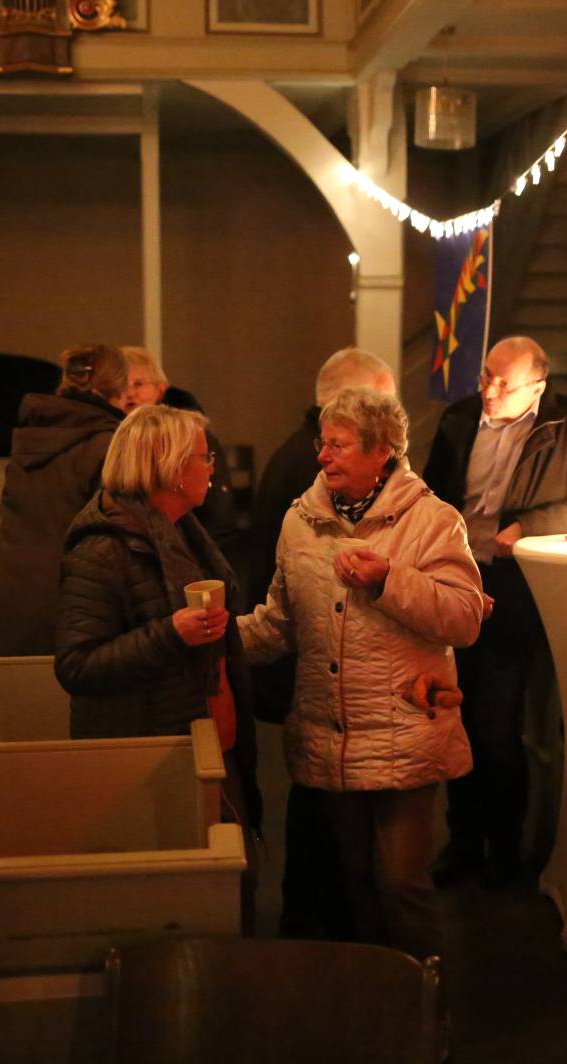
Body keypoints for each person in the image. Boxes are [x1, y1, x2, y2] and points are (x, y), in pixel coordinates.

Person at [239, 387, 483, 961]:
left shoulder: (432, 522)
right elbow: (279, 622)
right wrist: (215, 638)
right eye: (323, 444)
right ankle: (381, 998)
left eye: (339, 446)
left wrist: (387, 580)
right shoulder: (301, 522)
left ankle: (430, 1002)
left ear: (383, 452)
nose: (323, 456)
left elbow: (466, 617)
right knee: (354, 883)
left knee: (402, 882)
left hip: (404, 729)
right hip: (330, 732)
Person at [422, 335, 567, 886]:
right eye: (486, 376)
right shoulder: (460, 421)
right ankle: (462, 841)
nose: (489, 390)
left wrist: (529, 527)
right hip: (457, 581)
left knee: (497, 723)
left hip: (516, 587)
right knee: (454, 716)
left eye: (504, 383)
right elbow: (432, 493)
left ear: (538, 385)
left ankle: (504, 848)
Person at [54, 404, 261, 851]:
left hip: (203, 733)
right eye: (204, 458)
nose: (212, 468)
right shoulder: (101, 550)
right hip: (152, 756)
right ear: (168, 468)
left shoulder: (181, 528)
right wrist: (171, 635)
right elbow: (76, 666)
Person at [248, 347, 398, 942]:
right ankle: (324, 944)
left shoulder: (302, 456)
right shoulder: (311, 475)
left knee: (323, 820)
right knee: (323, 827)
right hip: (309, 665)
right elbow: (309, 592)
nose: (390, 416)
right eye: (380, 404)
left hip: (304, 664)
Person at [0, 345, 127, 658]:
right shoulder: (110, 445)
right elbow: (109, 542)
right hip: (56, 603)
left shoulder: (33, 436)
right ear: (122, 390)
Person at [115, 346, 241, 561]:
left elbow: (217, 510)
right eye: (122, 385)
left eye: (138, 384)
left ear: (160, 389)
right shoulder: (114, 438)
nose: (130, 393)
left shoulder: (193, 434)